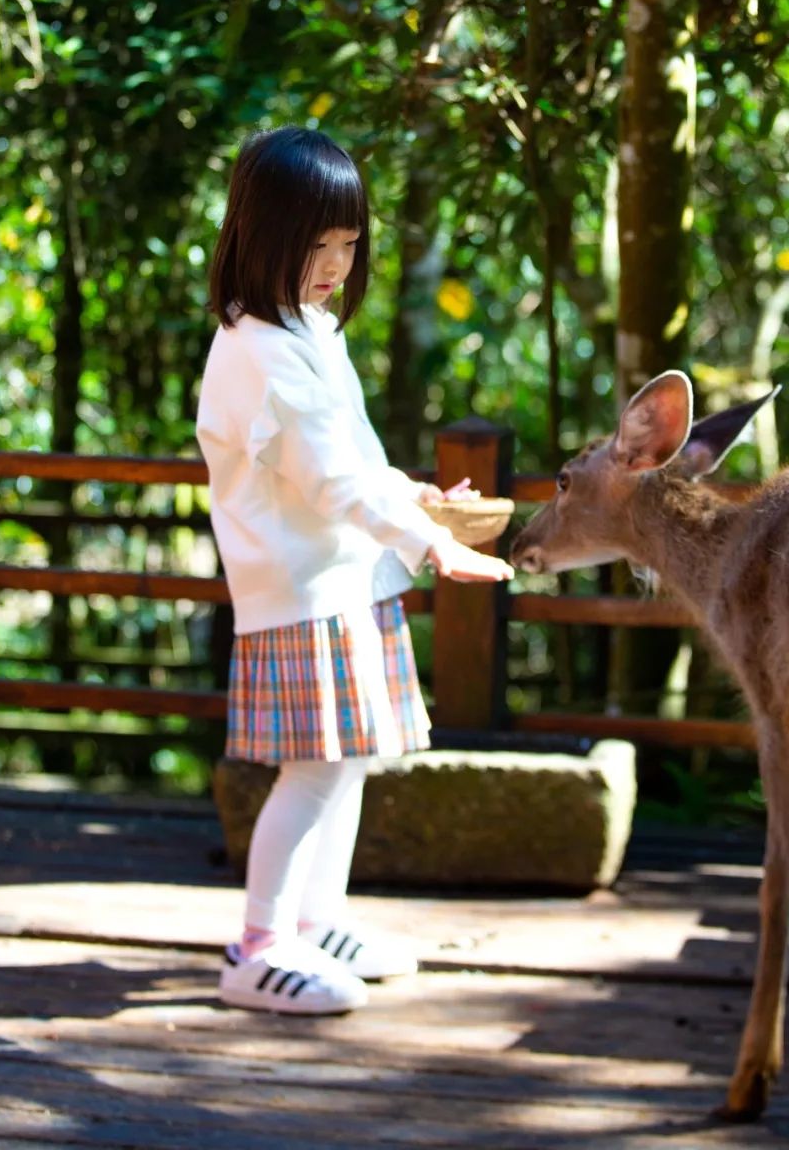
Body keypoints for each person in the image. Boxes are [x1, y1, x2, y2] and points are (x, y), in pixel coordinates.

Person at [196, 124, 514, 1015]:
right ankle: (259, 946)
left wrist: (413, 498)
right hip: (302, 591)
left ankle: (313, 920)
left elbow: (351, 461)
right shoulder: (260, 350)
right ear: (263, 238)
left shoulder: (306, 329)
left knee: (347, 762)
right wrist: (431, 541)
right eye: (317, 245)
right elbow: (329, 480)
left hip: (343, 579)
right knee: (316, 770)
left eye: (348, 244)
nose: (336, 263)